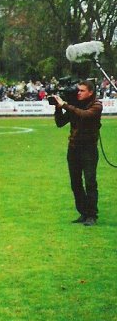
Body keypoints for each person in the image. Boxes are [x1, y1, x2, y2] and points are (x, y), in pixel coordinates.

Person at [52, 80, 103, 226]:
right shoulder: (75, 105)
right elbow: (60, 123)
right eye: (77, 90)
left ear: (90, 92)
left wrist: (66, 105)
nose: (78, 93)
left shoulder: (96, 105)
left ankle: (92, 215)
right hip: (73, 148)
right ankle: (83, 212)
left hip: (89, 150)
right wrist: (58, 109)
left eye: (81, 91)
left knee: (90, 182)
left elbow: (85, 115)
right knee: (75, 183)